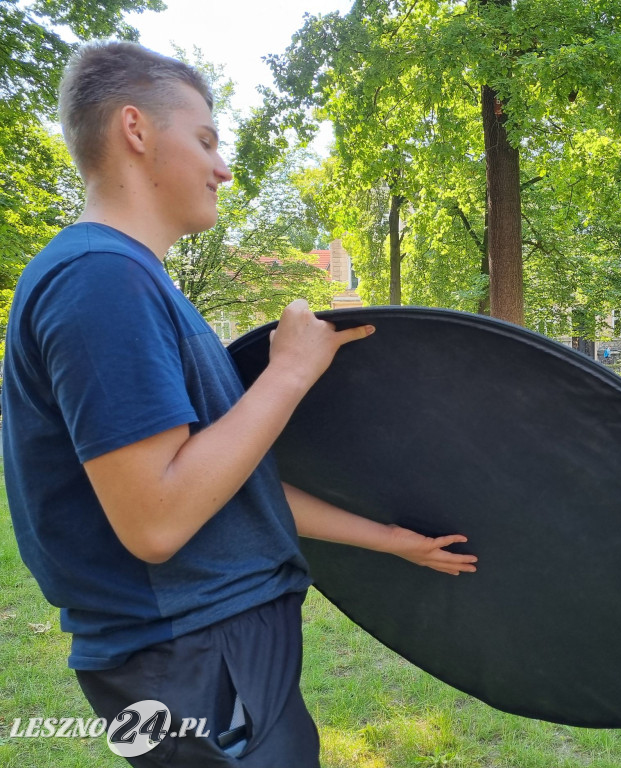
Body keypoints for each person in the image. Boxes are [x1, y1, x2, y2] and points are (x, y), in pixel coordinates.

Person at [1, 42, 477, 767]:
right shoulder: (99, 280)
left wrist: (390, 539)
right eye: (205, 140)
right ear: (136, 130)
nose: (223, 167)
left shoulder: (129, 281)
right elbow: (158, 521)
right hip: (189, 653)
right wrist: (286, 375)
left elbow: (225, 486)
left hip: (206, 648)